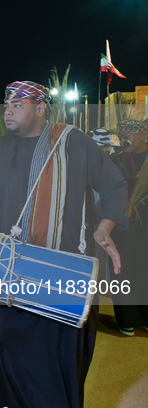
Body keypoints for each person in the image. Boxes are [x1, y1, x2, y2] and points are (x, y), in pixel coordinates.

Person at [0, 81, 127, 408]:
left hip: (56, 277)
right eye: (7, 104)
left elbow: (114, 184)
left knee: (50, 370)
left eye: (18, 104)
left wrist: (105, 226)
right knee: (5, 358)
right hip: (4, 278)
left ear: (41, 107)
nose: (8, 109)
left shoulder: (74, 145)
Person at [112, 119, 148, 335]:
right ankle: (127, 318)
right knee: (122, 269)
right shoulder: (116, 160)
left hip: (145, 226)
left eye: (129, 133)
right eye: (121, 133)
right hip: (123, 227)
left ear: (142, 134)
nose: (124, 137)